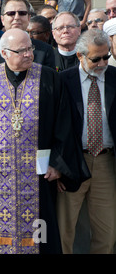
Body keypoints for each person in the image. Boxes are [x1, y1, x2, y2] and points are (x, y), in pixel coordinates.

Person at [0, 28, 86, 254]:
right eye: (21, 51)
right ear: (4, 53)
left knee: (41, 235)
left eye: (31, 48)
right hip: (0, 175)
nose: (29, 54)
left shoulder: (49, 77)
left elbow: (65, 125)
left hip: (39, 174)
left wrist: (58, 164)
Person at [58, 29, 116, 254]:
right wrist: (59, 166)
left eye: (106, 57)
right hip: (73, 162)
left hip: (106, 163)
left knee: (107, 231)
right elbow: (53, 127)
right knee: (65, 230)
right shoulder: (63, 81)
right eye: (96, 58)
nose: (103, 62)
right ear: (80, 56)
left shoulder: (114, 77)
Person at [0, 0, 56, 69]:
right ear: (2, 19)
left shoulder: (45, 51)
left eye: (22, 13)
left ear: (29, 18)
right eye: (11, 13)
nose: (17, 17)